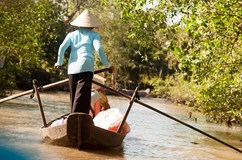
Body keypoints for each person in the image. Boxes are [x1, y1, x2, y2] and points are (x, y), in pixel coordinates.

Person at [55, 9, 114, 113]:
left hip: (72, 69)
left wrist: (59, 62)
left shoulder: (71, 35)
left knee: (74, 97)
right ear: (92, 25)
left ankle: (73, 116)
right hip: (86, 68)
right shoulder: (94, 35)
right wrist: (107, 65)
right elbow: (99, 49)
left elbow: (62, 48)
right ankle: (77, 118)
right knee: (83, 97)